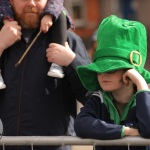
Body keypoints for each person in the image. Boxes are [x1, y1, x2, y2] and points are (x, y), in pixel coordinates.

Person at [0, 0, 91, 150]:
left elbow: (92, 96)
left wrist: (72, 62)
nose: (31, 3)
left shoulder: (67, 40)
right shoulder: (1, 38)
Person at [74, 15, 150, 150]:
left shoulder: (144, 98)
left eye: (111, 69)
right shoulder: (99, 98)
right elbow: (81, 125)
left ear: (130, 72)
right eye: (99, 69)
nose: (103, 74)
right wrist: (125, 131)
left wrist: (141, 83)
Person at [0, 0, 74, 89]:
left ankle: (57, 66)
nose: (31, 3)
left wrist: (72, 62)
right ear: (11, 1)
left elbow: (90, 94)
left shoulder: (69, 39)